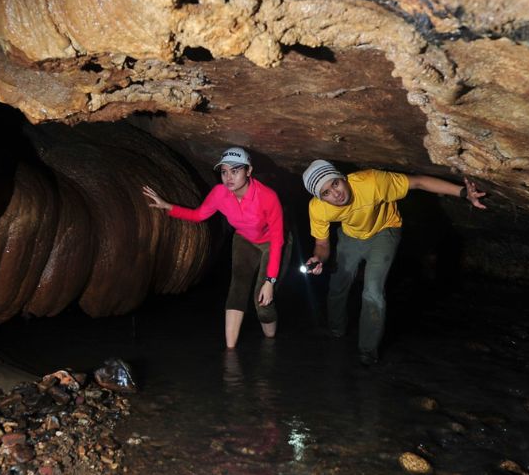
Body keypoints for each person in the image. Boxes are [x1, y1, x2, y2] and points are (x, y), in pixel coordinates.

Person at [301, 160, 486, 365]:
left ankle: (367, 353)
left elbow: (418, 182)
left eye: (335, 184)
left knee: (372, 291)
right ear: (320, 198)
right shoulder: (317, 209)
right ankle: (336, 333)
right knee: (337, 284)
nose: (335, 194)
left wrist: (463, 193)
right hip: (351, 235)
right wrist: (319, 259)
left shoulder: (372, 182)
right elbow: (322, 244)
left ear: (343, 178)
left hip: (384, 230)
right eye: (326, 193)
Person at [143, 147, 284, 349]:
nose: (228, 177)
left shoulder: (267, 197)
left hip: (271, 243)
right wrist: (168, 207)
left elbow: (278, 239)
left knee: (263, 303)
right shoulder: (219, 193)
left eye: (235, 171)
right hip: (244, 240)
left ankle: (271, 345)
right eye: (224, 172)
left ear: (249, 171)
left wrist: (270, 281)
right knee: (237, 288)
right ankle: (230, 352)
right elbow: (199, 215)